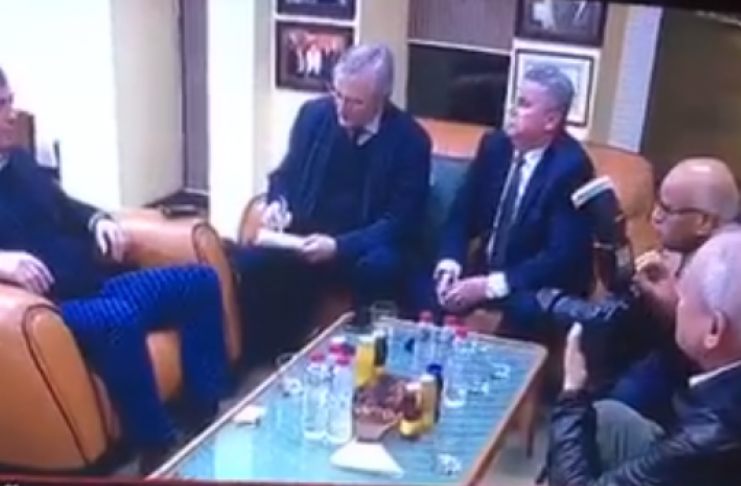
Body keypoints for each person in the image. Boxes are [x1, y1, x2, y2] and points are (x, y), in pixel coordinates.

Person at [0, 67, 229, 473]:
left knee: (199, 282)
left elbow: (66, 206)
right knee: (118, 318)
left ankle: (204, 416)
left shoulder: (18, 161)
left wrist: (98, 220)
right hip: (52, 308)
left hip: (95, 283)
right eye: (1, 106)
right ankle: (158, 447)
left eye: (10, 102)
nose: (12, 114)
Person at [231, 43, 431, 359]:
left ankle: (361, 364)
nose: (342, 108)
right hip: (305, 237)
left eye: (355, 101)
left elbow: (399, 222)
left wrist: (338, 246)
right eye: (338, 94)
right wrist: (278, 203)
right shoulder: (313, 115)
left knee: (382, 267)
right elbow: (284, 174)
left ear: (382, 98)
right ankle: (259, 362)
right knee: (250, 263)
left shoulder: (410, 140)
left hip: (362, 247)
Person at [548, 229, 741, 486]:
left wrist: (572, 393)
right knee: (609, 417)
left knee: (576, 425)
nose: (678, 303)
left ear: (714, 329)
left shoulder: (708, 438)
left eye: (684, 298)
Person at [419, 63, 594, 338]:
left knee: (524, 311)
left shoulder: (571, 167)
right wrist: (450, 264)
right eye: (515, 100)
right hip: (484, 270)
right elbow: (461, 214)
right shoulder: (495, 146)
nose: (511, 110)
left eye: (523, 104)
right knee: (421, 287)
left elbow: (560, 257)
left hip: (533, 283)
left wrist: (489, 286)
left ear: (550, 120)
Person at [606, 157, 740, 425]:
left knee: (617, 407)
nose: (655, 216)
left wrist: (674, 305)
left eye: (667, 210)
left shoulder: (729, 265)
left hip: (705, 384)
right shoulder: (683, 246)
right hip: (669, 354)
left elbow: (718, 355)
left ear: (704, 221)